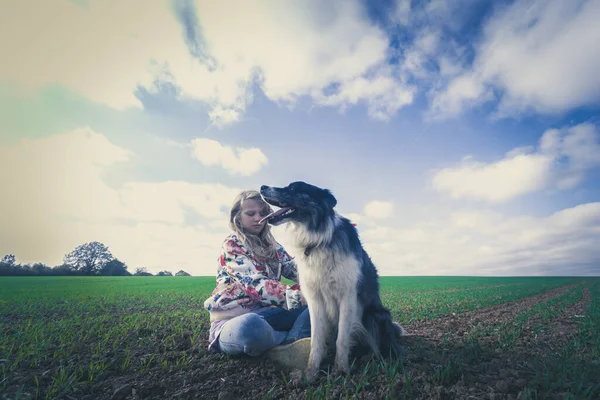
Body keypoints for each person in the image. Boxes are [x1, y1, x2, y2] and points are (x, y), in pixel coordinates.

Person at [204, 190, 311, 369]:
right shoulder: (232, 244)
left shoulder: (274, 247)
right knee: (250, 327)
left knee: (316, 307)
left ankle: (290, 345)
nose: (258, 218)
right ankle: (293, 341)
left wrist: (319, 278)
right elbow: (255, 284)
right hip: (233, 320)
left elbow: (297, 270)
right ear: (237, 217)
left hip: (271, 315)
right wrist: (301, 296)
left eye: (263, 213)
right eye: (250, 213)